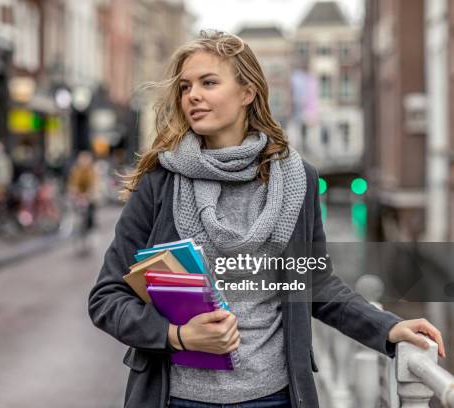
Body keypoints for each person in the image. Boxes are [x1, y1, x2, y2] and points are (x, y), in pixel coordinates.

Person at [87, 31, 446, 408]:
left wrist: (387, 328)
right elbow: (106, 298)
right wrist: (176, 335)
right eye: (185, 87)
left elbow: (317, 286)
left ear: (248, 92)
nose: (192, 95)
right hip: (176, 398)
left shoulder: (297, 179)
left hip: (273, 397)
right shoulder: (161, 182)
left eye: (209, 82)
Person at [66, 151, 97, 251]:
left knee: (90, 212)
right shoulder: (76, 171)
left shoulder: (92, 171)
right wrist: (74, 192)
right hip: (78, 196)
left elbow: (95, 185)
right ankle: (75, 231)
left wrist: (89, 194)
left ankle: (90, 229)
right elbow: (72, 184)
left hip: (88, 196)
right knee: (75, 213)